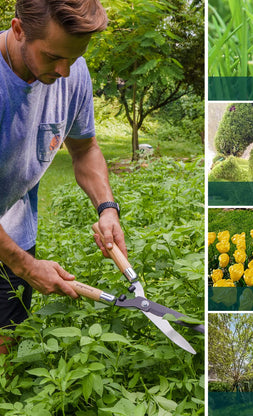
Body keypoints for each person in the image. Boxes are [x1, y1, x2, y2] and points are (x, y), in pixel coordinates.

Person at [0, 0, 127, 353]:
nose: (64, 71)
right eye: (54, 56)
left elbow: (85, 150)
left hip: (12, 226)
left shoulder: (73, 71)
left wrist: (107, 208)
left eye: (72, 59)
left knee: (7, 340)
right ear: (19, 29)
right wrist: (26, 266)